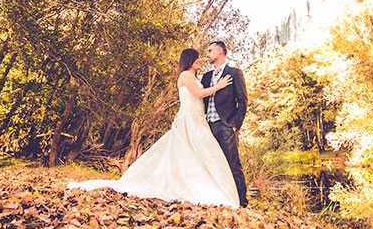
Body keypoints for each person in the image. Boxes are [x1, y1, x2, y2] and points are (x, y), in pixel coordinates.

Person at [65, 48, 241, 208]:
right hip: (188, 120)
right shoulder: (186, 75)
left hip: (198, 119)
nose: (200, 60)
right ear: (189, 60)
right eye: (196, 58)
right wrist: (218, 87)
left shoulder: (197, 77)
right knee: (188, 155)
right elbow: (198, 94)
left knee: (200, 156)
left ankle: (200, 185)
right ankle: (187, 186)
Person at [201, 41, 249, 207]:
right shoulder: (206, 77)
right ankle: (222, 199)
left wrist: (235, 124)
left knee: (233, 163)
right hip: (209, 125)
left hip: (226, 124)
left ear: (220, 51)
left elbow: (242, 101)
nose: (207, 54)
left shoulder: (234, 73)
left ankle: (242, 202)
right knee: (214, 163)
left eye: (210, 50)